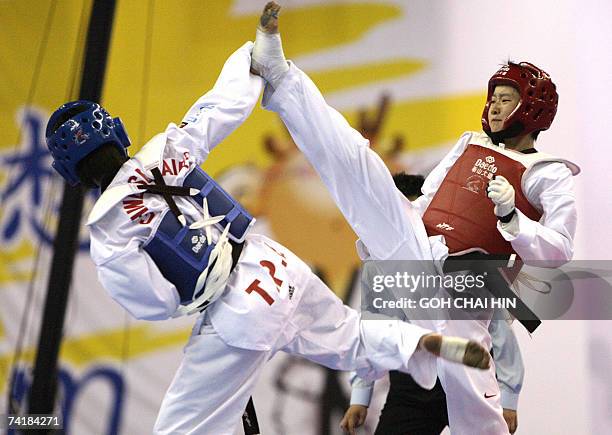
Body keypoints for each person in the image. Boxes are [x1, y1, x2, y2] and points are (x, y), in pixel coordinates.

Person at [45, 33, 491, 435]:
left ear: (70, 172)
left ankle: (418, 341)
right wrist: (248, 60)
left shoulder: (109, 228)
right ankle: (419, 341)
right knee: (350, 335)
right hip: (273, 266)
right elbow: (222, 108)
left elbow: (153, 300)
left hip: (235, 312)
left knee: (180, 429)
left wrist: (185, 294)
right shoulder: (165, 150)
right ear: (116, 133)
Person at [250, 2, 578, 434]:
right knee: (358, 163)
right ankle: (281, 76)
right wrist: (381, 237)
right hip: (419, 252)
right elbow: (427, 200)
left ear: (532, 109)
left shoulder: (548, 172)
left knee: (478, 417)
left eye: (506, 100)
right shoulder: (469, 143)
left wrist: (513, 219)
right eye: (493, 99)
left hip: (467, 289)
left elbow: (558, 253)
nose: (495, 108)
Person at [341, 174, 524, 435]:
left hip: (469, 376)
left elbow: (498, 328)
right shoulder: (375, 266)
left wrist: (508, 397)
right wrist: (361, 394)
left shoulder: (458, 258)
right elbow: (372, 327)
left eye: (413, 222)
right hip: (411, 386)